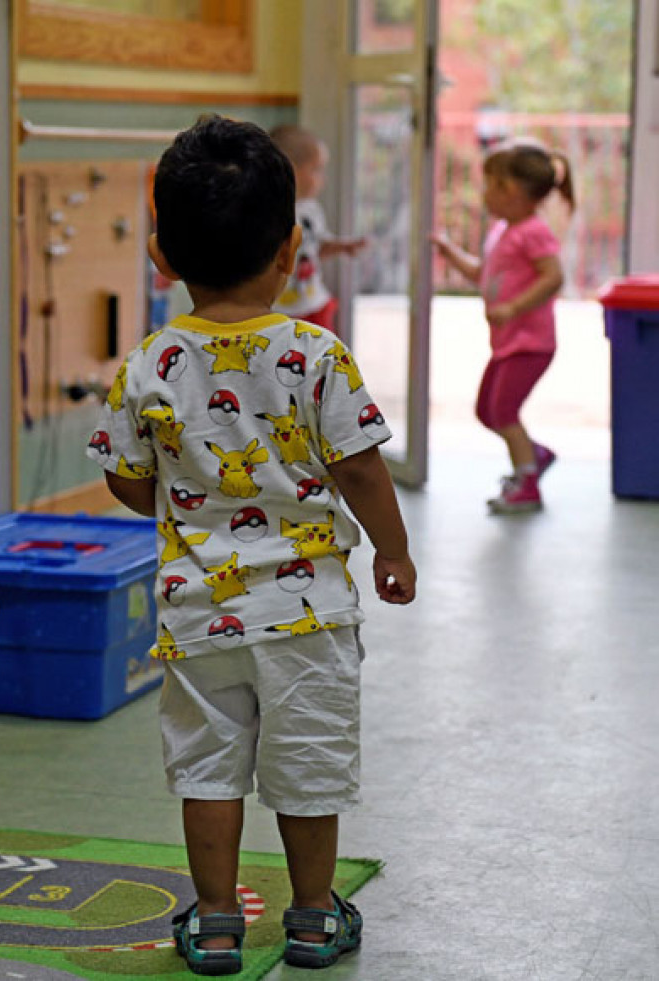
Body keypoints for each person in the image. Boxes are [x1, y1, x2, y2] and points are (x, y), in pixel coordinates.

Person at [86, 114, 416, 976]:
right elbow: (360, 470)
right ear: (290, 249)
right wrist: (391, 550)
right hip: (307, 615)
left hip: (199, 615)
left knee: (207, 770)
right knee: (306, 765)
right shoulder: (315, 353)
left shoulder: (150, 362)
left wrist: (179, 493)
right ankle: (311, 917)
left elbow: (125, 481)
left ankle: (219, 920)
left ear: (162, 256)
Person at [432, 137, 575, 513]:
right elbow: (483, 273)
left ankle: (527, 483)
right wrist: (450, 253)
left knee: (503, 411)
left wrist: (513, 307)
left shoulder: (534, 231)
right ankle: (534, 454)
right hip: (508, 342)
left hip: (531, 343)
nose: (484, 194)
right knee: (487, 410)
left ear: (511, 191)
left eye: (490, 184)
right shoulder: (503, 231)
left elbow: (554, 277)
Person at [269, 124, 366, 332]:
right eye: (316, 169)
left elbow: (314, 249)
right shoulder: (269, 212)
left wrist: (340, 246)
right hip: (278, 310)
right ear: (290, 169)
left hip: (314, 303)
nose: (323, 178)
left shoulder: (311, 209)